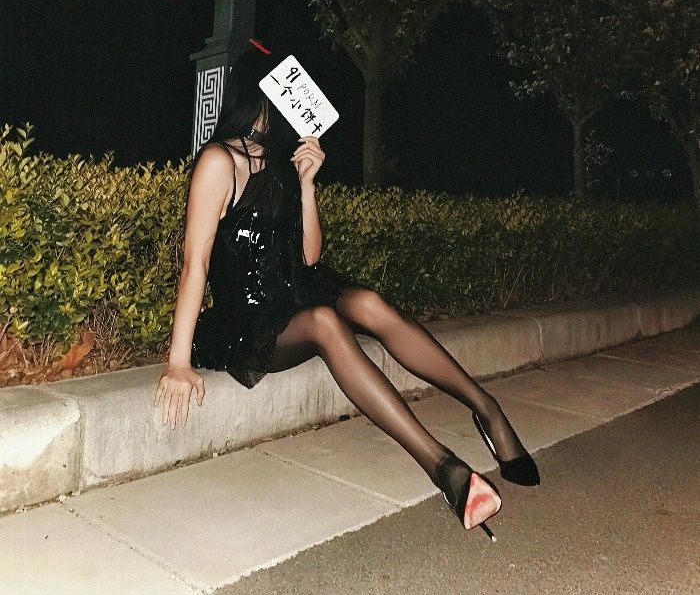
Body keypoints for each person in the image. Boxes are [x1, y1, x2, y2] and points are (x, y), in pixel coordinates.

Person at [154, 41, 540, 536]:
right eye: (285, 94)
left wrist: (307, 183)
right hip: (249, 319)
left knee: (368, 303)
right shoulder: (219, 161)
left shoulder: (282, 163)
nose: (295, 106)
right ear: (259, 96)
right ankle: (443, 468)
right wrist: (178, 362)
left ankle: (487, 409)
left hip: (295, 289)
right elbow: (197, 263)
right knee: (325, 320)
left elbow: (310, 257)